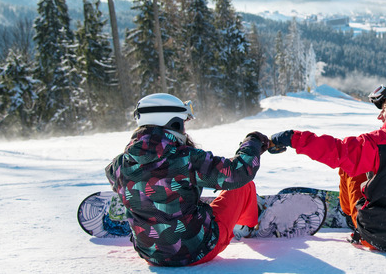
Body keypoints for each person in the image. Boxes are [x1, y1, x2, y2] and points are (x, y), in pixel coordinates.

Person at [269, 81, 386, 254]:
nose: (380, 116)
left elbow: (334, 150)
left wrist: (293, 138)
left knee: (351, 164)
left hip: (376, 235)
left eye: (384, 108)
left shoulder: (375, 143)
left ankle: (350, 215)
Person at [105, 93, 270, 267]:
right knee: (243, 186)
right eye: (182, 123)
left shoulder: (118, 165)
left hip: (150, 255)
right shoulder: (187, 158)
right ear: (172, 123)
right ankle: (247, 225)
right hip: (197, 251)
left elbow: (125, 176)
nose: (184, 129)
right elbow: (238, 173)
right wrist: (253, 142)